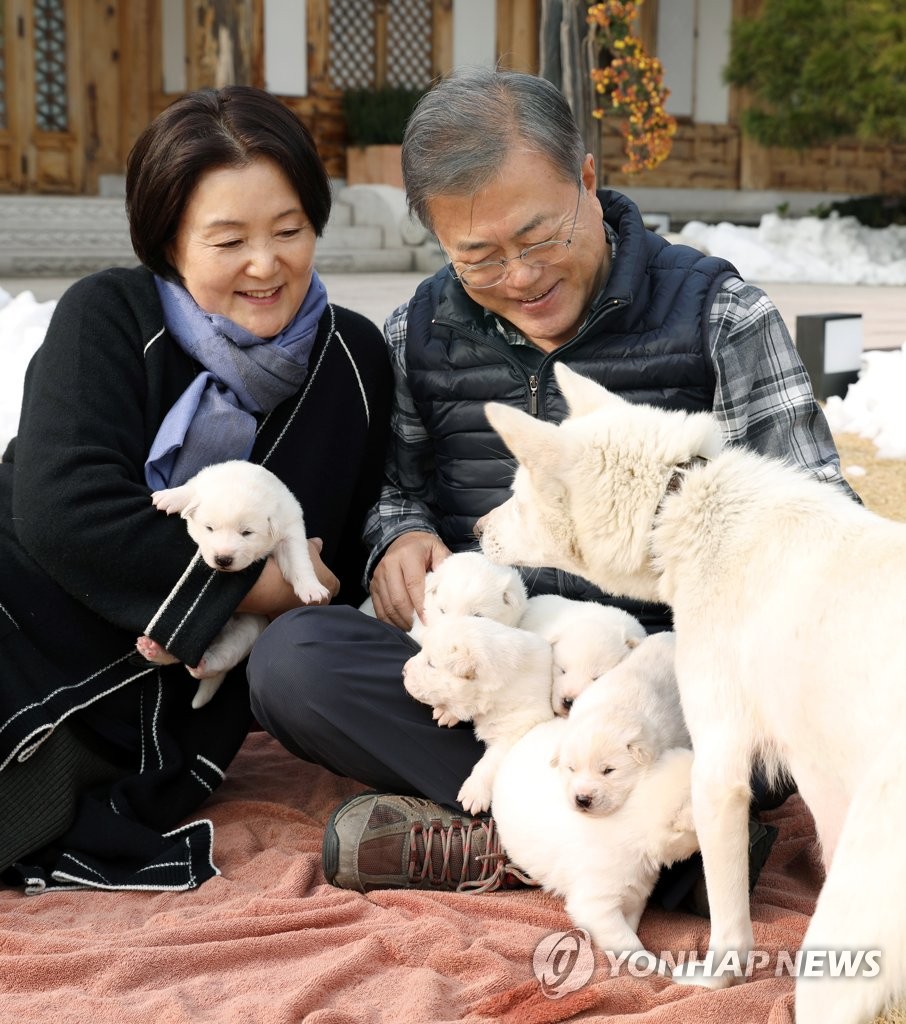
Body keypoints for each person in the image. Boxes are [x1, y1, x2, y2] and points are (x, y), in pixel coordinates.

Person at [247, 68, 857, 899]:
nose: (521, 276)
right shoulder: (416, 331)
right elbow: (393, 486)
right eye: (480, 258)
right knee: (292, 662)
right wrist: (400, 536)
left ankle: (515, 841)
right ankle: (652, 849)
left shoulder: (718, 315)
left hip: (669, 675)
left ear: (589, 181)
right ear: (437, 244)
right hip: (498, 661)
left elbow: (822, 524)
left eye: (539, 238)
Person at [0, 86, 392, 890]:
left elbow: (348, 545)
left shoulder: (353, 361)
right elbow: (61, 511)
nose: (266, 263)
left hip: (169, 708)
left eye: (289, 230)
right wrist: (258, 581)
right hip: (23, 608)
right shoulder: (106, 315)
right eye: (228, 240)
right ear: (168, 240)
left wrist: (313, 581)